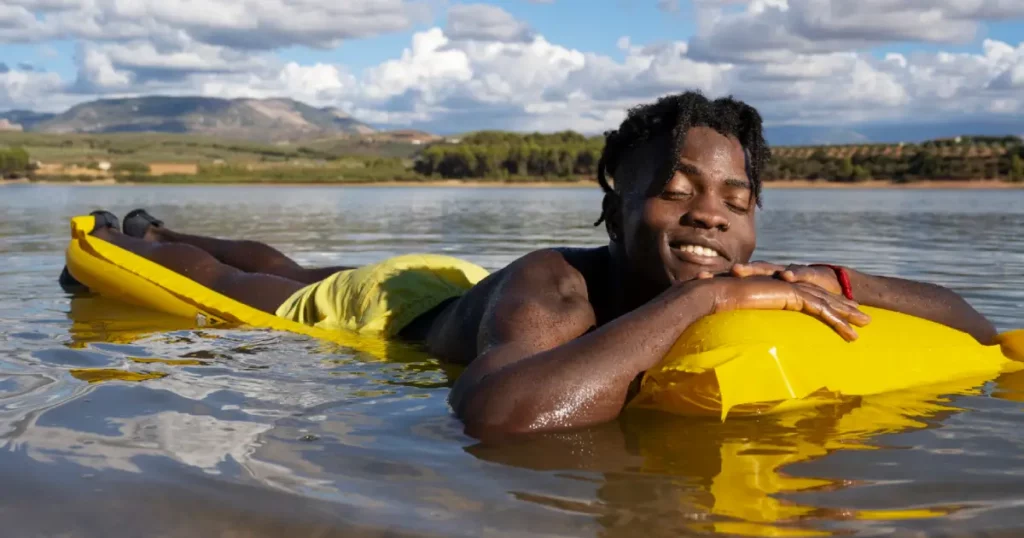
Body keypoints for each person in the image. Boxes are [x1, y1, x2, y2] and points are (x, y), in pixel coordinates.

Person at [59, 91, 997, 439]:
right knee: (263, 284)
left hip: (462, 286)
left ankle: (162, 223)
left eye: (737, 204)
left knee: (286, 257)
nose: (710, 216)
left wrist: (831, 281)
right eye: (676, 193)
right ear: (614, 203)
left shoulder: (737, 268)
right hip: (392, 311)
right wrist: (700, 309)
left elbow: (979, 330)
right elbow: (501, 416)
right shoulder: (557, 283)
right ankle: (133, 235)